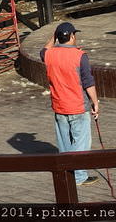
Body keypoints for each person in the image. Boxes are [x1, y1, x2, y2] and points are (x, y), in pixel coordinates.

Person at [40, 22, 100, 186]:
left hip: (59, 106)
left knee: (64, 143)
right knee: (81, 143)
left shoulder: (49, 55)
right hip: (77, 106)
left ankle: (67, 174)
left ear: (58, 38)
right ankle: (79, 177)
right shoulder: (80, 56)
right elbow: (88, 82)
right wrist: (95, 102)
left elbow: (43, 50)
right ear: (73, 36)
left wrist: (54, 36)